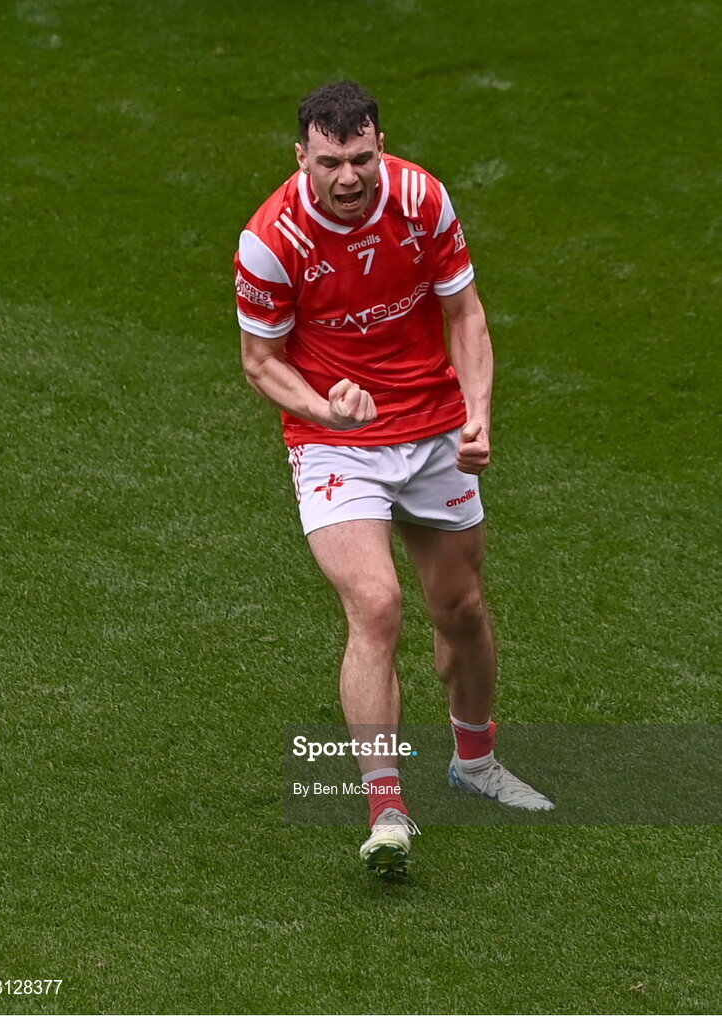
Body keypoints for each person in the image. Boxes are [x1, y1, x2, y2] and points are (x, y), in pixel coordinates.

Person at [235, 81, 553, 878]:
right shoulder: (269, 241)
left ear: (381, 146)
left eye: (364, 157)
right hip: (336, 440)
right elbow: (260, 362)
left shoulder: (420, 198)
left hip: (433, 426)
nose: (351, 177)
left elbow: (467, 315)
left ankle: (474, 762)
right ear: (301, 157)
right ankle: (386, 812)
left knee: (461, 609)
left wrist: (477, 416)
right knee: (375, 604)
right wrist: (324, 409)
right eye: (333, 161)